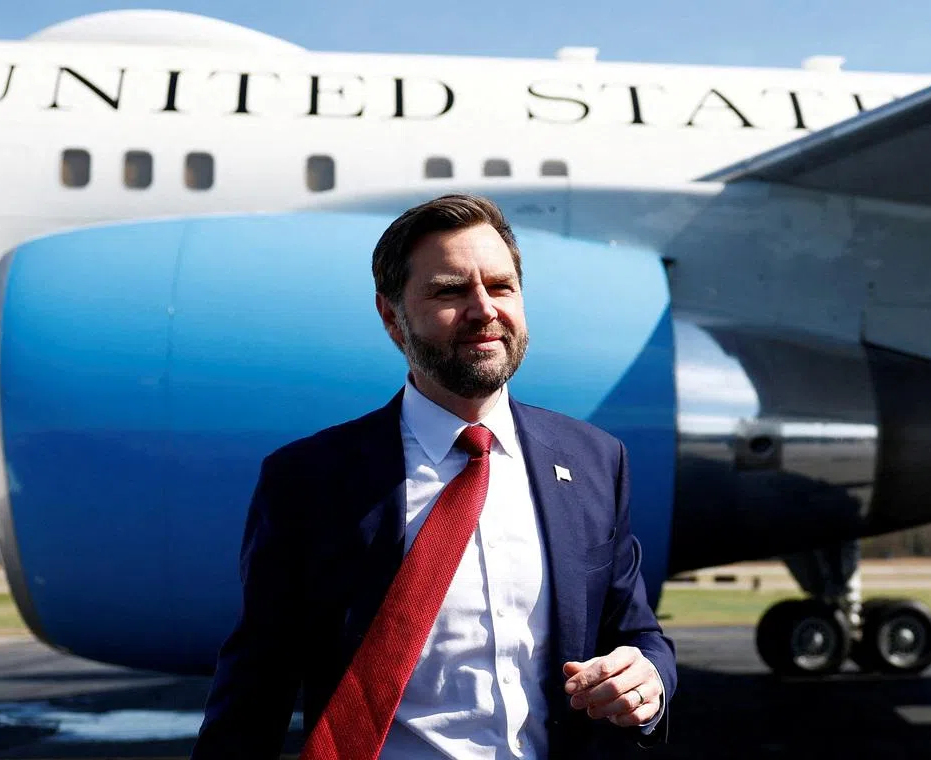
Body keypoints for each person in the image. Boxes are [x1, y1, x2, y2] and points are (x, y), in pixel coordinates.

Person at [190, 194, 677, 759]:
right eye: (450, 290)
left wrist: (648, 682)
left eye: (500, 286)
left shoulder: (596, 461)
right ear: (392, 317)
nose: (484, 310)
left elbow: (638, 635)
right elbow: (255, 691)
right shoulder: (309, 481)